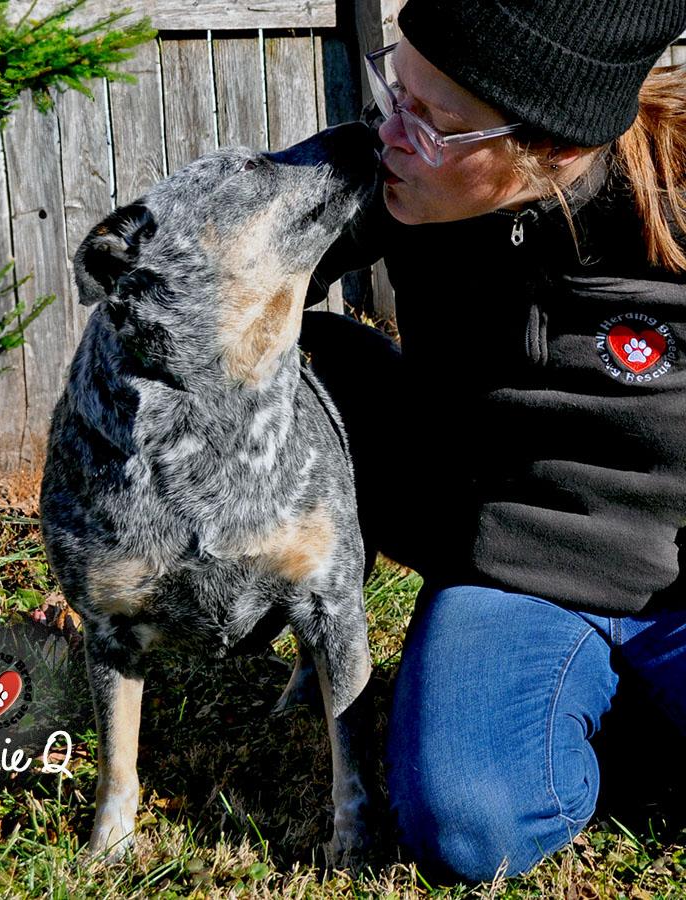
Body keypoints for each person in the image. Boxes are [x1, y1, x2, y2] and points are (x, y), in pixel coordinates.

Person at [299, 0, 686, 883]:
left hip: (679, 581)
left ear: (555, 148)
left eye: (435, 123)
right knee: (470, 830)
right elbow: (215, 248)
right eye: (395, 90)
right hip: (515, 570)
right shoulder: (401, 178)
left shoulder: (672, 190)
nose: (390, 133)